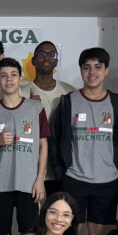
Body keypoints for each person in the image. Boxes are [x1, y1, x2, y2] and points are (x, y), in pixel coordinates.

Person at [49, 47, 118, 235]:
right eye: (86, 67)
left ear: (106, 70)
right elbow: (55, 139)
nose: (92, 72)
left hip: (107, 180)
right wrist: (61, 172)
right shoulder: (68, 101)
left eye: (98, 67)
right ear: (81, 70)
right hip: (74, 178)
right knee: (70, 232)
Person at [0, 57, 48, 235]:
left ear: (21, 79)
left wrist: (40, 179)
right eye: (4, 76)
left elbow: (43, 145)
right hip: (0, 183)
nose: (9, 80)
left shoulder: (36, 108)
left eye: (13, 75)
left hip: (28, 183)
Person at [29, 41, 75, 195]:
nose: (47, 57)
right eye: (42, 54)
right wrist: (28, 108)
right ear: (33, 60)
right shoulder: (22, 92)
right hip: (33, 167)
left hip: (61, 166)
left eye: (51, 54)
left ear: (56, 61)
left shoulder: (69, 91)